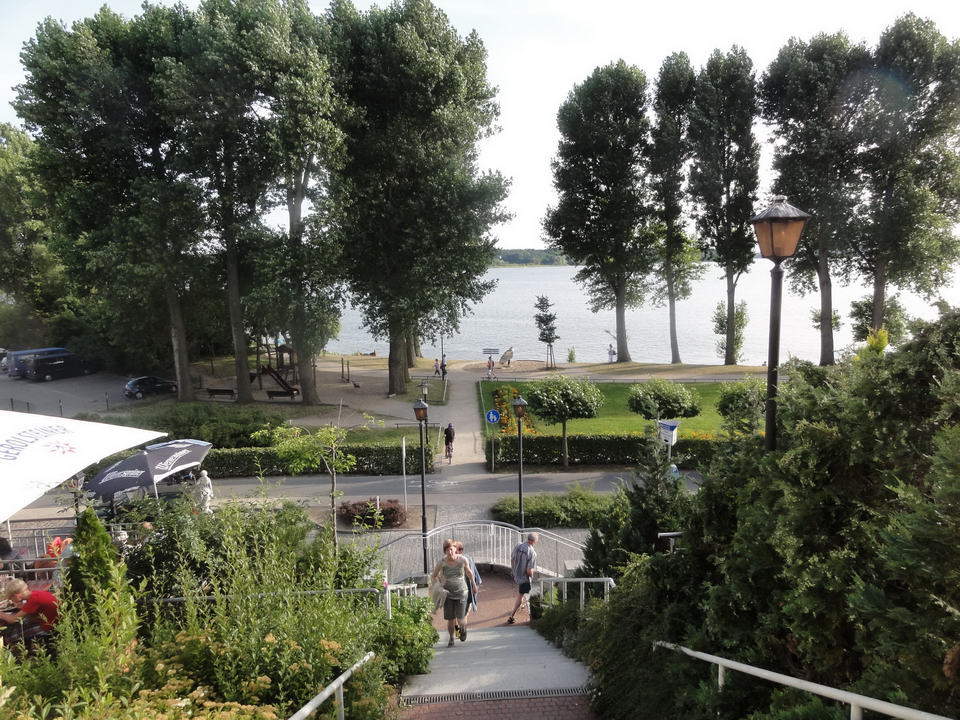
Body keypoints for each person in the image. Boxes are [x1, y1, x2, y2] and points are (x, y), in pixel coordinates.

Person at [431, 538, 478, 647]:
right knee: (450, 619)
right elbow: (434, 576)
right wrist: (439, 585)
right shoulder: (442, 562)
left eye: (451, 549)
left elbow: (469, 572)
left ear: (455, 549)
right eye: (447, 550)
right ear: (444, 551)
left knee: (460, 619)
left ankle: (463, 629)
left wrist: (474, 585)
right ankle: (452, 638)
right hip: (447, 593)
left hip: (462, 592)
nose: (449, 552)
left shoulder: (462, 560)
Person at [1, 578, 59, 653]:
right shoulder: (35, 594)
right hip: (52, 621)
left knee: (11, 634)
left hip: (50, 627)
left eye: (11, 598)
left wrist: (1, 614)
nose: (11, 601)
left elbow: (13, 619)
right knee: (22, 623)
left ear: (17, 596)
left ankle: (17, 654)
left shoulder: (34, 599)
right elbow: (30, 608)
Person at [506, 532, 539, 625]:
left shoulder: (518, 545)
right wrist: (533, 575)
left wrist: (513, 570)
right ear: (534, 541)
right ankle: (511, 616)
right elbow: (529, 571)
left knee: (523, 593)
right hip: (524, 578)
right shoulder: (532, 553)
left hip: (516, 574)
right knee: (521, 595)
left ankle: (522, 604)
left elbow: (512, 559)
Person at [454, 541, 482, 640]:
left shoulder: (467, 560)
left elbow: (474, 574)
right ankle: (460, 629)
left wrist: (475, 586)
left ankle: (461, 629)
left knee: (463, 612)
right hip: (456, 592)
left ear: (460, 550)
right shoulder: (450, 560)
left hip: (466, 592)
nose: (452, 552)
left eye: (455, 550)